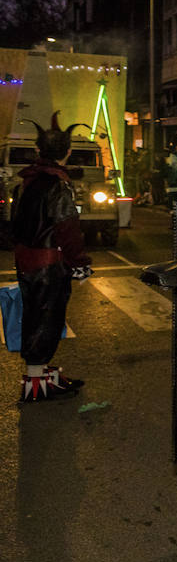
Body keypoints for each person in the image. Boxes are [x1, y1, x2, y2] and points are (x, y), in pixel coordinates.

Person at [13, 115, 93, 402]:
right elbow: (67, 229)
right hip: (48, 264)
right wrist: (80, 263)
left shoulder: (24, 182)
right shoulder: (58, 185)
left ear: (37, 151)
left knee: (34, 315)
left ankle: (40, 374)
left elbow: (13, 224)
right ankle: (35, 384)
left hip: (25, 260)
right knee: (46, 319)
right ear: (67, 153)